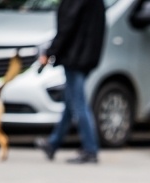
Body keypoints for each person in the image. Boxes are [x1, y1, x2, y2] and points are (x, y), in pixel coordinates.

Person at [35, 0, 106, 164]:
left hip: (76, 56)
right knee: (70, 101)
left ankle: (90, 149)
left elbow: (67, 26)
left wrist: (51, 52)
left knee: (78, 103)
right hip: (87, 55)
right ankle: (53, 143)